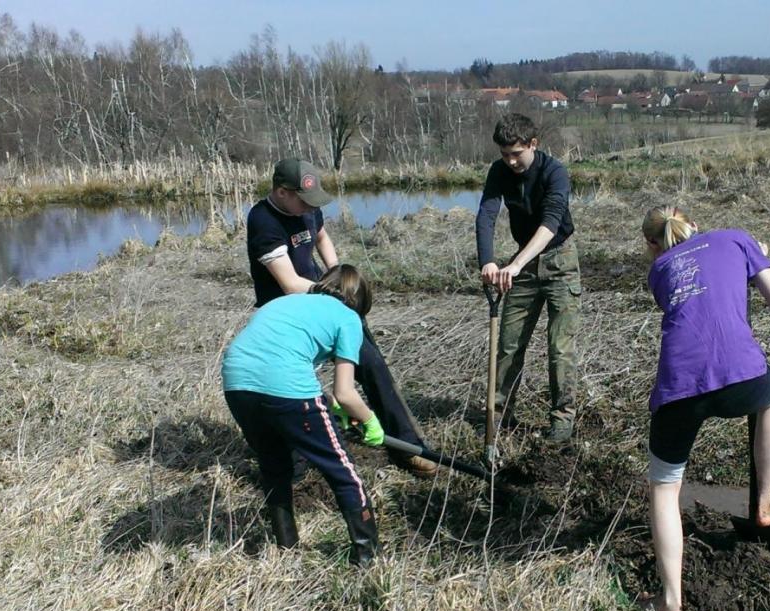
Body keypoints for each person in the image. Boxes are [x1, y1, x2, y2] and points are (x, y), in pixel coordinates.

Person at [638, 206, 770, 611]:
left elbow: (693, 304)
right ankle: (764, 502)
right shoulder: (736, 237)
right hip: (740, 378)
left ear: (652, 245)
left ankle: (671, 601)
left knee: (664, 488)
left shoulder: (657, 272)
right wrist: (757, 258)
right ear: (694, 223)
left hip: (678, 389)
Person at [247, 158, 437, 477]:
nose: (310, 207)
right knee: (295, 390)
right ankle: (297, 462)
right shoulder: (263, 221)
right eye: (303, 201)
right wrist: (338, 294)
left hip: (326, 299)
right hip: (288, 317)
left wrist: (338, 274)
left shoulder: (307, 207)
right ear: (281, 192)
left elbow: (320, 236)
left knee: (372, 364)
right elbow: (290, 283)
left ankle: (407, 445)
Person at [221, 265, 383, 564]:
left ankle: (287, 547)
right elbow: (345, 393)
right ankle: (368, 560)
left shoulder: (285, 301)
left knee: (274, 466)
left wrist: (329, 407)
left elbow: (286, 361)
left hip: (236, 384)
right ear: (359, 302)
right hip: (283, 386)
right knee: (343, 473)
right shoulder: (348, 317)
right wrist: (371, 421)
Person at [475, 114, 581, 443]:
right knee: (508, 344)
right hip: (522, 264)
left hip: (559, 260)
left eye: (516, 153)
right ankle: (500, 414)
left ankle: (562, 420)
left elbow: (550, 224)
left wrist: (517, 263)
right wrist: (489, 261)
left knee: (559, 348)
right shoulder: (499, 172)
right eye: (505, 154)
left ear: (533, 144)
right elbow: (486, 215)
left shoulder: (555, 172)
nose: (510, 161)